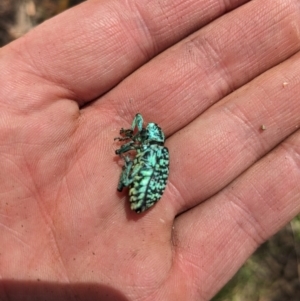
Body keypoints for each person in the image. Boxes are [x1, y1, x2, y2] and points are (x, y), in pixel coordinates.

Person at [1, 0, 299, 300]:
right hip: (145, 188)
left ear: (150, 136)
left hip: (143, 188)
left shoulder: (147, 148)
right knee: (130, 173)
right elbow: (151, 163)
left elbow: (142, 156)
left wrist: (131, 152)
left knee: (128, 173)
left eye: (145, 132)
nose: (142, 130)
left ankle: (131, 175)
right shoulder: (159, 150)